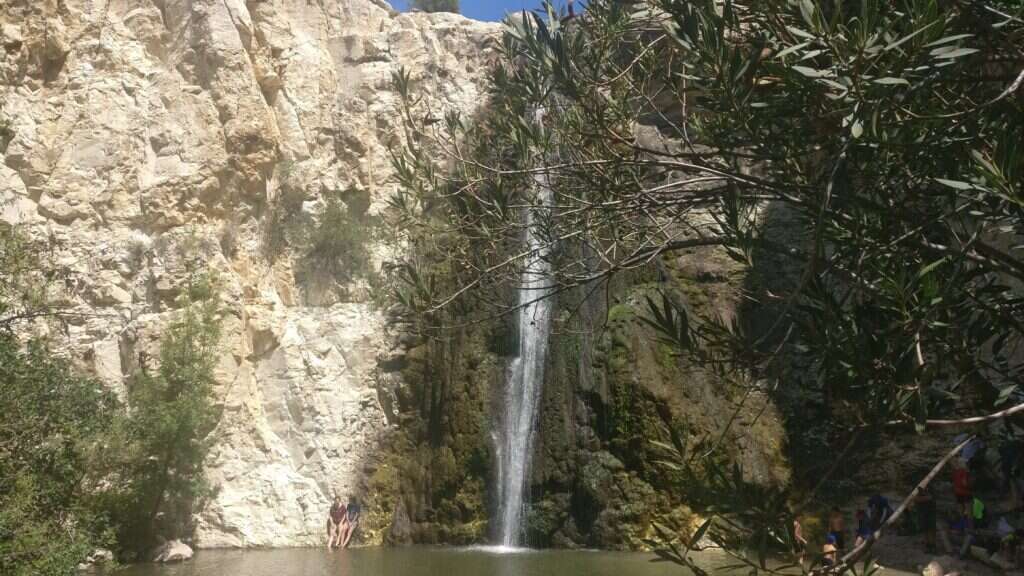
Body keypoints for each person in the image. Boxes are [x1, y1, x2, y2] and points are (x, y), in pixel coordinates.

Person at [916, 489, 938, 553]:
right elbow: (915, 498)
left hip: (930, 512)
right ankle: (927, 546)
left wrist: (923, 498)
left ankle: (932, 546)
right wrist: (926, 498)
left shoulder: (930, 487)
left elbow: (931, 497)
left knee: (931, 530)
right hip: (922, 512)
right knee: (925, 530)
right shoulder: (918, 488)